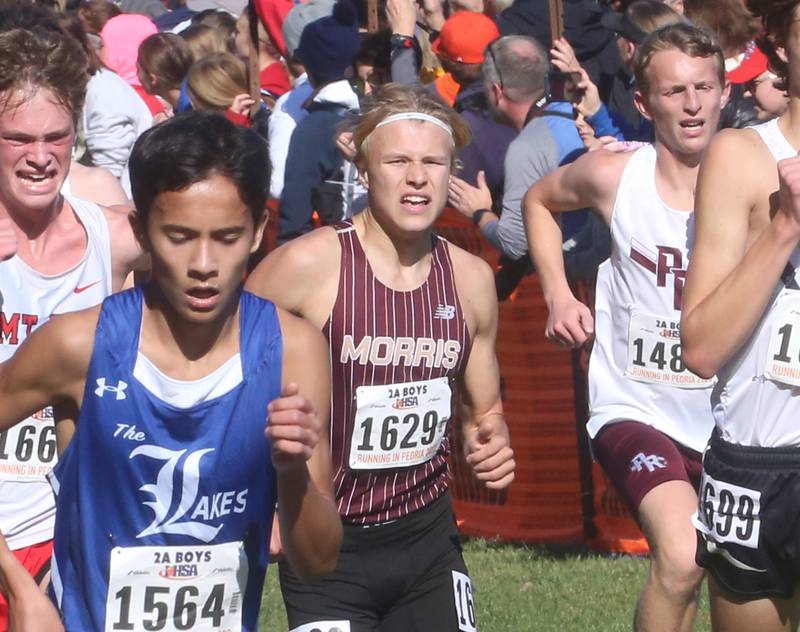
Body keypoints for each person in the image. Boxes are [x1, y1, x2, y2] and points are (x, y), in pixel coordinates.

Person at [0, 111, 342, 631]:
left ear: (257, 233)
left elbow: (318, 563)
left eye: (226, 237)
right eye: (179, 236)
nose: (203, 263)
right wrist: (20, 589)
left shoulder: (293, 349)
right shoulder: (78, 344)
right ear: (141, 230)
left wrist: (291, 473)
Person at [247, 83, 515, 632]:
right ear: (365, 172)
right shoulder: (305, 266)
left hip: (428, 542)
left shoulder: (471, 279)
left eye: (433, 163)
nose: (417, 177)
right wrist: (265, 504)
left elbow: (482, 414)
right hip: (327, 546)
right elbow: (229, 383)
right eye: (398, 161)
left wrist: (491, 441)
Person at [525, 23, 729, 632]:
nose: (692, 105)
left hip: (728, 413)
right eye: (674, 92)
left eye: (704, 88)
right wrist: (558, 296)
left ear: (723, 92)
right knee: (683, 553)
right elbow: (538, 201)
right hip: (634, 405)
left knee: (739, 569)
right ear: (643, 103)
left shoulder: (756, 179)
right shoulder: (617, 176)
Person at [0, 24, 145, 632]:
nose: (39, 156)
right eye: (17, 138)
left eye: (56, 137)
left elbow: (221, 230)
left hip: (70, 536)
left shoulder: (111, 233)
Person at [681, 1, 800, 630]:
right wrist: (785, 225)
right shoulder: (741, 155)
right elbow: (699, 348)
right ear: (778, 42)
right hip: (761, 461)